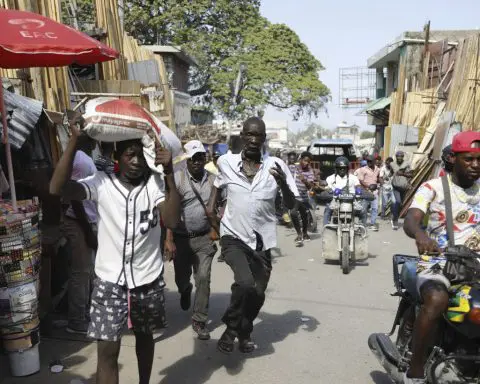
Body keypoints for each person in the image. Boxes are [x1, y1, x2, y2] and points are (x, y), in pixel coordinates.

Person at [49, 118, 180, 384]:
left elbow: (173, 219)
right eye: (130, 154)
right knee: (108, 351)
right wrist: (74, 141)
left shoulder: (154, 183)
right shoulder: (101, 182)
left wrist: (168, 172)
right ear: (116, 155)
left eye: (142, 154)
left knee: (145, 338)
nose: (137, 161)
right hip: (110, 282)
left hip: (148, 278)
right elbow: (57, 188)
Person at [207, 117, 298, 354]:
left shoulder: (276, 165)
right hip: (233, 236)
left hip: (262, 240)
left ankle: (244, 331)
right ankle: (231, 329)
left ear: (264, 139)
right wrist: (212, 214)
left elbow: (291, 204)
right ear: (242, 135)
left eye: (258, 136)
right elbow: (217, 187)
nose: (253, 140)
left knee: (257, 294)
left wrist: (283, 185)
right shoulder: (226, 162)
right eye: (249, 134)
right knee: (245, 283)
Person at [402, 131, 480, 384]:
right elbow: (411, 218)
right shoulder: (433, 187)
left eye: (479, 160)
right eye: (469, 159)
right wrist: (420, 235)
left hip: (475, 263)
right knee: (436, 299)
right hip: (439, 260)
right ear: (454, 158)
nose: (475, 165)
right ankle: (415, 372)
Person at [164, 140, 217, 341]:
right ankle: (185, 290)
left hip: (203, 238)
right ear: (187, 159)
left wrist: (216, 227)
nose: (197, 161)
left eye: (200, 157)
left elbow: (221, 204)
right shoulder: (178, 179)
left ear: (205, 158)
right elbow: (170, 211)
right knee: (181, 279)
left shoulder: (213, 179)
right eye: (193, 158)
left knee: (203, 277)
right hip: (182, 239)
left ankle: (199, 319)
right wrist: (169, 239)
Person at [64, 132, 97, 334]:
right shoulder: (80, 160)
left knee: (86, 272)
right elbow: (75, 199)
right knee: (81, 272)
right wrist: (87, 230)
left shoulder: (83, 159)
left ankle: (82, 314)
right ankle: (76, 320)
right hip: (79, 222)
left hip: (85, 221)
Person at [323, 156, 361, 225]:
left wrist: (358, 189)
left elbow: (358, 185)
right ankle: (325, 227)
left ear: (347, 168)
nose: (342, 170)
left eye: (344, 168)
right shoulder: (330, 178)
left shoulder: (353, 178)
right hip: (335, 201)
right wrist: (329, 190)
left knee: (363, 210)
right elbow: (327, 187)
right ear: (336, 169)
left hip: (352, 201)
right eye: (340, 168)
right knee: (328, 209)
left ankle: (362, 226)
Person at [290, 151, 316, 245]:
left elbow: (310, 186)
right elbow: (285, 177)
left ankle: (305, 233)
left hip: (304, 197)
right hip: (295, 196)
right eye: (305, 161)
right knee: (293, 213)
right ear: (300, 160)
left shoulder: (310, 171)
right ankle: (299, 234)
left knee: (304, 216)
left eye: (309, 162)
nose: (307, 163)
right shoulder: (293, 168)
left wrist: (304, 180)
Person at [356, 155, 380, 230]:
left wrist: (379, 183)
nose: (368, 162)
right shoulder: (363, 169)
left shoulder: (377, 169)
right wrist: (368, 186)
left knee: (375, 208)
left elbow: (378, 178)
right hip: (365, 191)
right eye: (367, 161)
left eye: (370, 161)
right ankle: (362, 223)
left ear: (374, 161)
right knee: (364, 208)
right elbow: (360, 180)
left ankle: (372, 223)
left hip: (375, 191)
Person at [391, 151, 413, 230]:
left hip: (404, 187)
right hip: (396, 187)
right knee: (398, 201)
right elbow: (391, 173)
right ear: (396, 157)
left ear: (403, 157)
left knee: (401, 204)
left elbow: (411, 174)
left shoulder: (407, 164)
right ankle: (395, 220)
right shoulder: (392, 164)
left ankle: (394, 216)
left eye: (401, 156)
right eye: (398, 156)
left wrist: (403, 174)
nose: (399, 158)